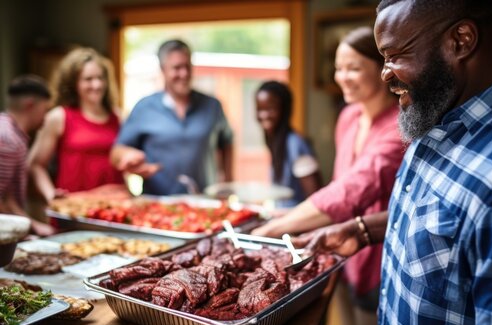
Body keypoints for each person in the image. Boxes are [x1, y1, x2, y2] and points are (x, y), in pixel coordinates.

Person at [301, 0, 492, 325]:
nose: (386, 74)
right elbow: (458, 222)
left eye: (395, 54)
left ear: (461, 40)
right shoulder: (445, 108)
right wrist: (364, 230)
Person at [253, 27, 404, 325]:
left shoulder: (398, 126)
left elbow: (353, 191)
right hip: (341, 252)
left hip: (378, 260)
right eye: (338, 67)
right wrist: (288, 217)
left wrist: (269, 232)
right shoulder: (348, 116)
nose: (342, 77)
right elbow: (338, 184)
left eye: (353, 68)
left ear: (382, 69)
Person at [110, 39, 234, 195]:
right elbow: (117, 151)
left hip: (204, 202)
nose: (184, 74)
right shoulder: (144, 108)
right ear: (163, 70)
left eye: (187, 66)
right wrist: (128, 156)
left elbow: (228, 142)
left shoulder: (212, 106)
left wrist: (228, 182)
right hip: (157, 204)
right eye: (177, 68)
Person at [29, 47, 124, 203]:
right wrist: (50, 194)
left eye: (101, 78)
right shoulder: (59, 117)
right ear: (74, 83)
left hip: (113, 208)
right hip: (74, 207)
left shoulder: (118, 117)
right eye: (88, 79)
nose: (97, 85)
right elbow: (35, 165)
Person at [0, 75, 55, 236]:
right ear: (30, 105)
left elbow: (7, 195)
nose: (45, 118)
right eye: (45, 110)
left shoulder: (10, 133)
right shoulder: (8, 140)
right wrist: (33, 226)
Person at [255, 81, 322, 207]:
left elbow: (315, 201)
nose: (263, 115)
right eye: (259, 109)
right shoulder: (275, 142)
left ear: (284, 110)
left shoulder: (296, 145)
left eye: (270, 109)